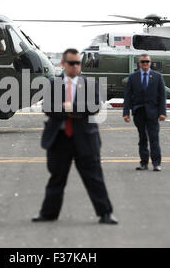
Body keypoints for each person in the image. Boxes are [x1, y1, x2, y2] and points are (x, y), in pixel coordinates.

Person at [32, 48, 117, 224]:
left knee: (94, 178)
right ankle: (48, 214)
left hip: (85, 138)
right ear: (63, 64)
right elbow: (47, 107)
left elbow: (93, 107)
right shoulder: (53, 84)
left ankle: (105, 213)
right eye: (72, 63)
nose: (76, 66)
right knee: (56, 178)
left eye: (78, 63)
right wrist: (76, 110)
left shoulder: (91, 84)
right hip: (59, 139)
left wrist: (67, 107)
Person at [123, 54, 167, 171]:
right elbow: (127, 96)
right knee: (142, 138)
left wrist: (163, 112)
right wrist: (126, 112)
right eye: (143, 62)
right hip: (139, 112)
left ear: (150, 62)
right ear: (139, 63)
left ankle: (156, 163)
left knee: (154, 138)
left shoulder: (158, 77)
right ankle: (144, 163)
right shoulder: (133, 77)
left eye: (147, 61)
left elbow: (162, 96)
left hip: (153, 112)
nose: (145, 64)